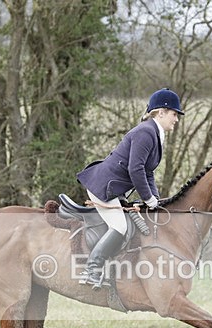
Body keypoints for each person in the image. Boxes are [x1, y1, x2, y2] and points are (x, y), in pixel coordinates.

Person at [76, 88, 184, 289]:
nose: (176, 119)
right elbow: (136, 169)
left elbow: (148, 172)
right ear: (161, 112)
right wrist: (148, 198)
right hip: (104, 187)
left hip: (115, 190)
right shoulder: (146, 132)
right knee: (120, 227)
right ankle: (91, 270)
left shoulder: (154, 134)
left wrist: (155, 200)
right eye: (174, 114)